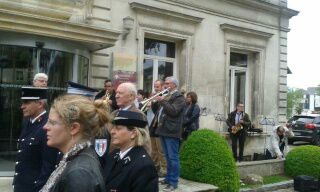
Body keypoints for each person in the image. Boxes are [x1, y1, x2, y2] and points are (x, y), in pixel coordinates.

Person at [40, 94, 109, 192]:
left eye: (52, 122)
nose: (45, 127)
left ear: (74, 128)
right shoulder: (74, 159)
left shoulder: (80, 173)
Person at [13, 87, 59, 192]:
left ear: (40, 104)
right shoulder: (27, 122)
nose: (22, 106)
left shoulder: (46, 126)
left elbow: (48, 166)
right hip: (22, 186)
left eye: (26, 103)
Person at [105, 110, 158, 192]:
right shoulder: (114, 154)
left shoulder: (144, 166)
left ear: (133, 133)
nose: (112, 132)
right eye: (113, 128)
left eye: (118, 128)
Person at [154, 76, 186, 191]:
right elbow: (161, 112)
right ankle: (168, 178)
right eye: (165, 83)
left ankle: (173, 182)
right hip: (164, 129)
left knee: (173, 158)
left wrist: (162, 100)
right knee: (167, 157)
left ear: (174, 85)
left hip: (172, 131)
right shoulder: (167, 95)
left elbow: (173, 111)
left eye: (167, 83)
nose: (165, 85)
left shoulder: (180, 97)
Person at [148, 80, 167, 177]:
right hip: (154, 126)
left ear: (163, 86)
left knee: (161, 151)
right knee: (153, 150)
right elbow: (156, 111)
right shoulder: (157, 96)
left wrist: (159, 99)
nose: (156, 88)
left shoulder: (166, 96)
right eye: (155, 86)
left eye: (157, 86)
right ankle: (155, 167)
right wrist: (152, 101)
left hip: (161, 127)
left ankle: (163, 169)